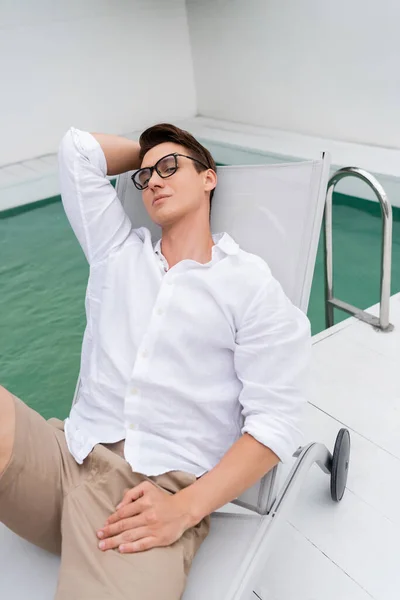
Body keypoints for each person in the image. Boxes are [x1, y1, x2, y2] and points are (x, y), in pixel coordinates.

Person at [0, 123, 311, 599]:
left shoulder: (249, 286)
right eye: (145, 178)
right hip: (66, 457)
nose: (155, 181)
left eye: (170, 167)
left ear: (210, 177)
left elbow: (275, 422)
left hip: (149, 499)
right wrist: (151, 155)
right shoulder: (117, 255)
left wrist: (186, 509)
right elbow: (77, 150)